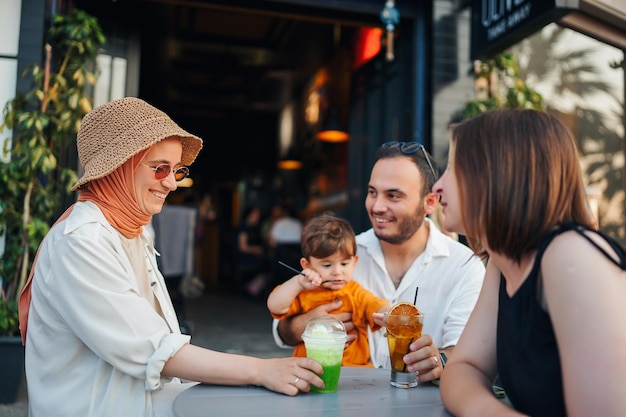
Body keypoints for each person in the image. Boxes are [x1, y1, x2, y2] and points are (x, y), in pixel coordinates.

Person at [18, 97, 323, 417]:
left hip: (134, 398)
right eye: (159, 168)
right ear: (119, 167)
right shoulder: (82, 241)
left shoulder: (131, 228)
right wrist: (260, 370)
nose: (171, 182)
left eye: (177, 169)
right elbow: (153, 351)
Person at [435, 109, 626, 417]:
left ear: (495, 174)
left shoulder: (570, 257)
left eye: (453, 169)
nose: (437, 187)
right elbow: (464, 368)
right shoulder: (505, 261)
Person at [274, 141, 485, 383]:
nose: (376, 206)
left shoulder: (465, 266)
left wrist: (440, 361)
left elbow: (465, 352)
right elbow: (281, 329)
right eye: (372, 192)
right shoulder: (340, 256)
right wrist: (302, 325)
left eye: (393, 196)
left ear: (429, 202)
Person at [267, 213, 390, 367]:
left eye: (344, 264)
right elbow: (275, 305)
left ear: (355, 261)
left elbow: (375, 305)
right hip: (309, 367)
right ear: (307, 265)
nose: (337, 272)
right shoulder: (305, 292)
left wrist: (392, 315)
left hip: (354, 369)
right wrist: (297, 283)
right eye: (327, 265)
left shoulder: (355, 292)